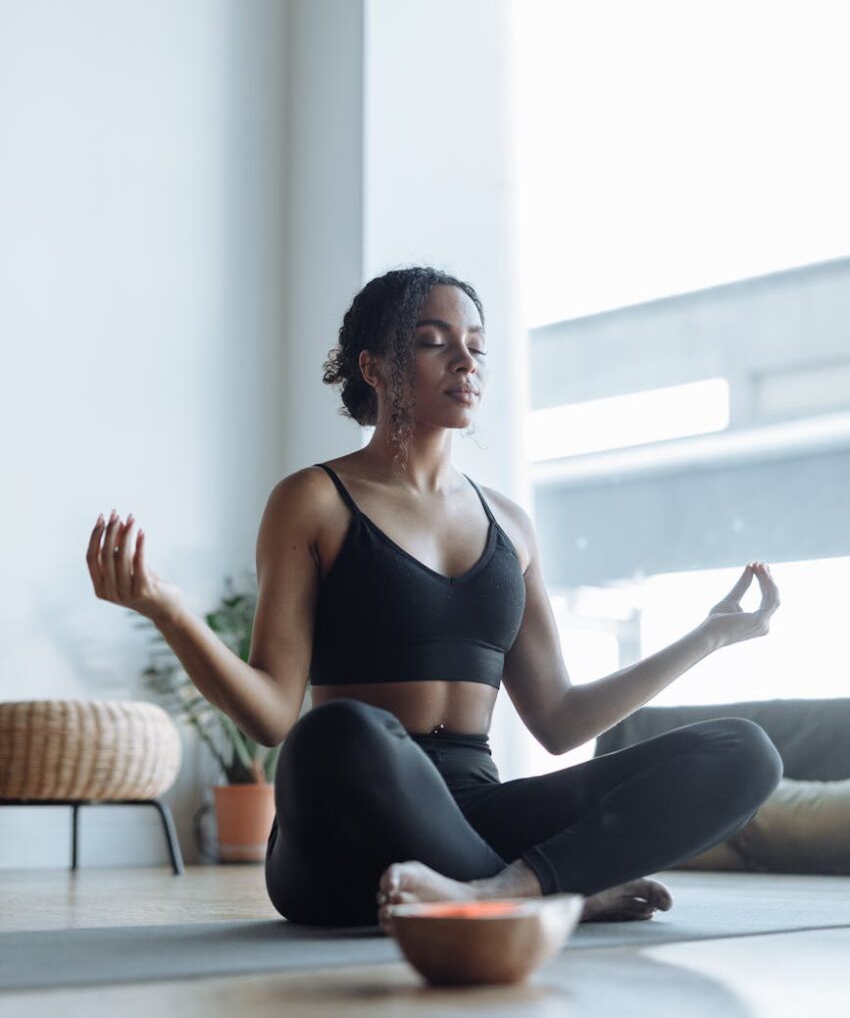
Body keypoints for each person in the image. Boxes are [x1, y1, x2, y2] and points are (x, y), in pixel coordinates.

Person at [85, 265, 783, 930]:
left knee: (744, 749)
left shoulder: (511, 523)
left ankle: (505, 891)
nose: (466, 361)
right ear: (376, 366)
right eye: (434, 341)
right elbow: (272, 714)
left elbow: (561, 720)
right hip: (346, 829)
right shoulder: (313, 500)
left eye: (476, 346)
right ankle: (547, 893)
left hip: (478, 814)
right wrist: (168, 611)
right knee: (335, 731)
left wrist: (709, 635)